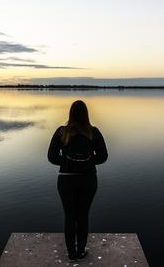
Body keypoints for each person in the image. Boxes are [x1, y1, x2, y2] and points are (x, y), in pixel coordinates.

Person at [47, 100, 108, 261]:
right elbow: (103, 157)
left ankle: (71, 253)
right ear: (87, 114)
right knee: (83, 216)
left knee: (69, 216)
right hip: (88, 180)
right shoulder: (93, 132)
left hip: (66, 180)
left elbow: (51, 157)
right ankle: (81, 251)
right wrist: (87, 162)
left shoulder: (62, 132)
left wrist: (68, 162)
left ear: (70, 113)